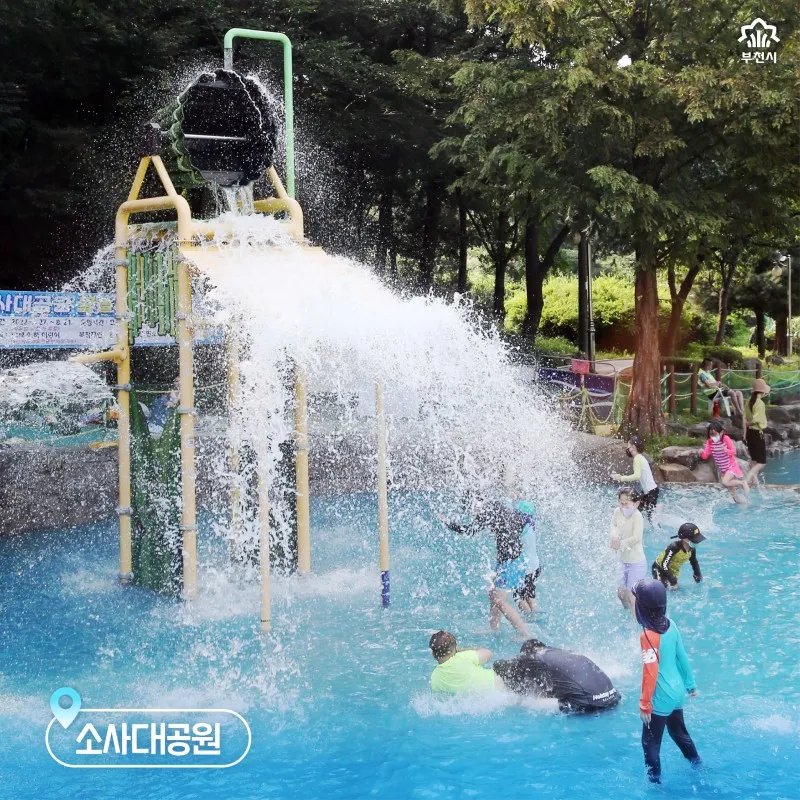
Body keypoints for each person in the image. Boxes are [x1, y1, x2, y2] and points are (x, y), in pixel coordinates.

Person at [631, 579, 701, 783]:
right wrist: (691, 686)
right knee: (679, 732)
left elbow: (650, 672)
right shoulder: (672, 625)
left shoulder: (648, 636)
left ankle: (655, 785)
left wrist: (645, 704)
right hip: (677, 691)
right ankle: (697, 763)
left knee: (650, 743)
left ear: (642, 607)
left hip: (660, 696)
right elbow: (682, 657)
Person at [438, 496, 532, 637]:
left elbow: (468, 531)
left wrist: (447, 522)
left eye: (470, 510)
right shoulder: (496, 505)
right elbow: (519, 523)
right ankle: (494, 628)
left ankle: (524, 633)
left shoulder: (487, 512)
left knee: (499, 600)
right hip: (512, 559)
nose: (472, 514)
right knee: (493, 593)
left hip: (511, 562)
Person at [493, 639, 620, 712]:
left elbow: (498, 666)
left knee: (528, 702)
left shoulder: (532, 658)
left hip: (588, 704)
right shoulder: (561, 652)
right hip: (613, 696)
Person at [429, 630, 506, 693]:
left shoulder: (435, 678)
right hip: (501, 686)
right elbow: (488, 654)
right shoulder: (462, 657)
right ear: (454, 648)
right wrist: (461, 650)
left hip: (483, 699)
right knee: (498, 664)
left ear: (433, 653)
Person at [609, 487, 647, 612]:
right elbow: (613, 525)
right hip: (623, 560)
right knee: (620, 592)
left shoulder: (637, 516)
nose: (623, 506)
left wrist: (621, 543)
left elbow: (636, 538)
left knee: (632, 595)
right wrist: (614, 537)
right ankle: (628, 613)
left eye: (627, 503)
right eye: (621, 503)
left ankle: (636, 620)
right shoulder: (617, 512)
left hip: (636, 562)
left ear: (636, 504)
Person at [611, 436, 659, 525]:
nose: (627, 449)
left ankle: (656, 529)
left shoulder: (637, 458)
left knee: (650, 517)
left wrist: (621, 478)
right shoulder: (640, 457)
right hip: (649, 492)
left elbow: (637, 476)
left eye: (628, 446)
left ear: (633, 447)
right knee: (637, 510)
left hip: (651, 492)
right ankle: (631, 526)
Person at [699, 420, 749, 502]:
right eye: (711, 434)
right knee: (732, 491)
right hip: (723, 469)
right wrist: (701, 453)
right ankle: (740, 502)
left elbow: (734, 451)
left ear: (721, 432)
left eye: (715, 434)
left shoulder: (725, 439)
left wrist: (726, 450)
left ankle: (743, 483)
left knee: (725, 482)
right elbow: (705, 456)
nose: (713, 436)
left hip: (731, 466)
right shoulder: (710, 442)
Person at [651, 523, 705, 590]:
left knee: (674, 589)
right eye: (694, 539)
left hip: (673, 569)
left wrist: (697, 574)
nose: (697, 542)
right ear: (684, 539)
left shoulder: (692, 549)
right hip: (659, 568)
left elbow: (694, 562)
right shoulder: (674, 547)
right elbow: (664, 564)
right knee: (661, 589)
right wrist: (671, 578)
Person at [513, 500, 540, 612]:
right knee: (530, 596)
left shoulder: (519, 527)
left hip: (524, 568)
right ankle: (535, 614)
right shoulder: (531, 525)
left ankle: (528, 617)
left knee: (518, 598)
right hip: (535, 566)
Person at [744, 378, 770, 487]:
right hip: (757, 433)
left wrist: (745, 430)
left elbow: (745, 417)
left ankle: (753, 482)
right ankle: (746, 480)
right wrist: (750, 423)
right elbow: (756, 419)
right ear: (762, 391)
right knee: (762, 462)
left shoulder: (748, 400)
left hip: (749, 433)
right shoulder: (760, 403)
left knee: (754, 460)